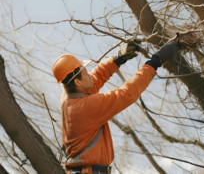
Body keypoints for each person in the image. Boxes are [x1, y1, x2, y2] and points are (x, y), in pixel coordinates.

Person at [52, 41, 179, 174]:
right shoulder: (88, 107)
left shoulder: (68, 96)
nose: (89, 74)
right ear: (77, 82)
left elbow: (98, 75)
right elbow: (127, 93)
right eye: (85, 73)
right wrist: (155, 62)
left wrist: (119, 57)